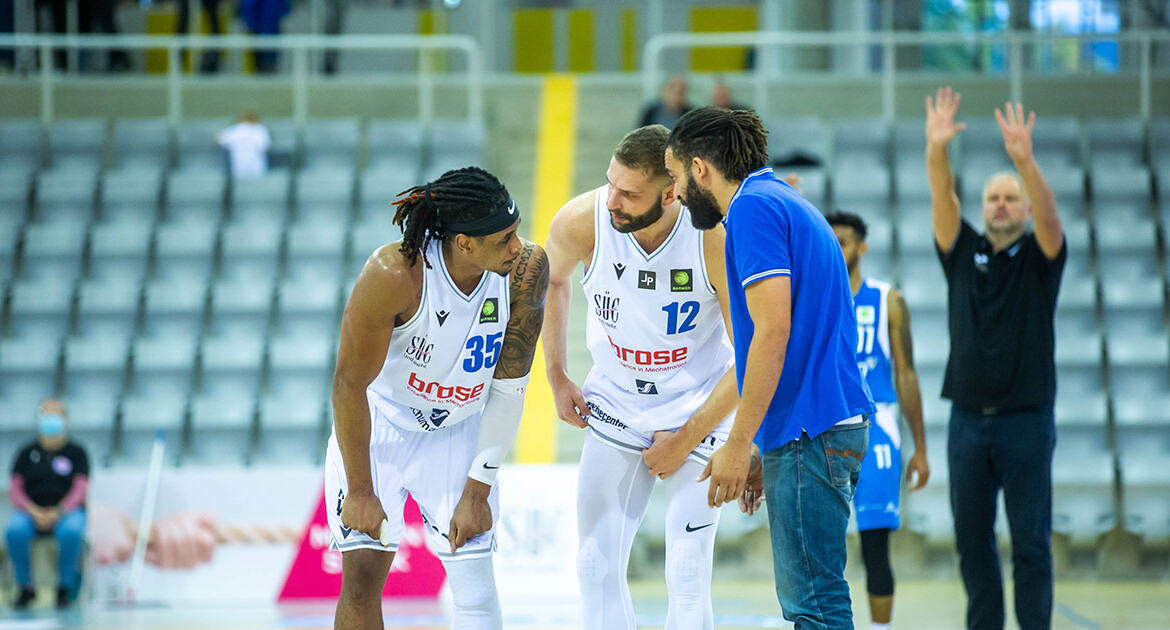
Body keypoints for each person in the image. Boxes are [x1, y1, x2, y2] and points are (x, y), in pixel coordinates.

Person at [664, 107, 875, 629]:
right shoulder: (782, 198)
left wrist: (737, 444)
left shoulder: (754, 209)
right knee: (818, 596)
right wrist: (763, 443)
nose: (675, 193)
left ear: (700, 168)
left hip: (814, 429)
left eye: (674, 178)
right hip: (820, 424)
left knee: (815, 605)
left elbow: (771, 332)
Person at [544, 124, 748, 630]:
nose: (612, 199)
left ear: (672, 190)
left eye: (629, 193)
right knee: (593, 564)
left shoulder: (713, 238)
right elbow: (551, 280)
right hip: (615, 398)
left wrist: (688, 438)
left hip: (696, 403)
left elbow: (751, 356)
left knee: (685, 568)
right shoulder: (582, 220)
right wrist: (556, 373)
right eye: (610, 183)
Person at [327, 166, 548, 630]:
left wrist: (478, 489)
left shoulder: (526, 271)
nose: (517, 246)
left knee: (476, 587)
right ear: (464, 243)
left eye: (517, 231)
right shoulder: (394, 274)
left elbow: (510, 388)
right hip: (383, 425)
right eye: (504, 237)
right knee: (362, 580)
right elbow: (349, 384)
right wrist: (362, 490)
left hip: (459, 429)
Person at [925, 87, 1065, 630]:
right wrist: (937, 152)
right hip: (966, 424)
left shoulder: (1040, 255)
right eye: (992, 199)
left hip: (1026, 423)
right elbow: (943, 199)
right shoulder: (962, 251)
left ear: (1025, 208)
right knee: (972, 546)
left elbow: (1052, 220)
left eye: (1011, 198)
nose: (1000, 205)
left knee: (1030, 545)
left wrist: (1024, 163)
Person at [827, 210, 931, 630]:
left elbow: (906, 374)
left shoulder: (888, 299)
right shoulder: (811, 298)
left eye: (845, 240)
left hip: (879, 431)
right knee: (824, 548)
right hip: (826, 429)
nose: (837, 247)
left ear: (861, 247)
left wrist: (921, 447)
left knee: (874, 548)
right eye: (830, 240)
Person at [5, 399, 89, 610]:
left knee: (71, 531)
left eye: (56, 414)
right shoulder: (26, 453)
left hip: (66, 512)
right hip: (30, 512)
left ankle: (64, 587)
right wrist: (33, 511)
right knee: (14, 531)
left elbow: (80, 489)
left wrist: (58, 511)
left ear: (65, 420)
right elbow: (15, 489)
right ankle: (26, 588)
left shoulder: (76, 453)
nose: (51, 419)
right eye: (46, 414)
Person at [217, 111, 271, 178]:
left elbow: (220, 140)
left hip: (238, 169)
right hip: (256, 169)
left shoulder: (234, 130)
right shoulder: (260, 130)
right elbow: (265, 148)